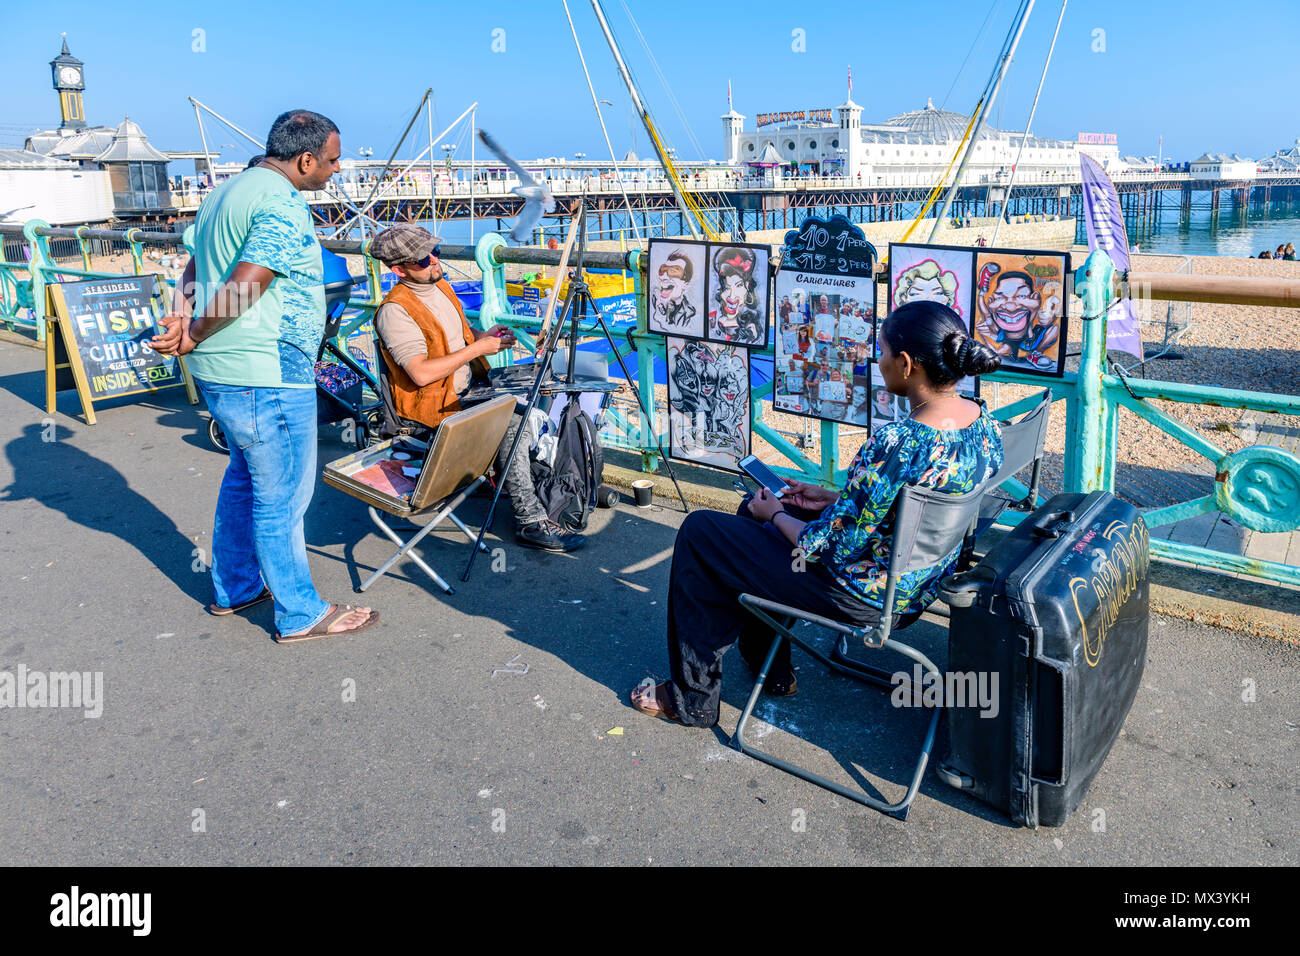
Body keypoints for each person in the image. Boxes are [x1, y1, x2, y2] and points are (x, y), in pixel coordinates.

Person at [629, 300, 1004, 725]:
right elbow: (909, 502)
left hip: (862, 593)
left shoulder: (898, 441)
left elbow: (829, 549)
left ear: (905, 364)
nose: (876, 361)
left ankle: (692, 698)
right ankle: (771, 667)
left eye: (880, 352)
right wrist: (829, 499)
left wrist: (776, 516)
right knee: (750, 513)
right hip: (922, 578)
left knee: (702, 531)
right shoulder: (981, 420)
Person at [151, 109, 379, 643]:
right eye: (332, 159)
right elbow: (251, 281)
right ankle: (300, 612)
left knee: (244, 479)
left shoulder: (225, 192)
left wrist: (187, 318)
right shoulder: (280, 199)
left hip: (228, 369)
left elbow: (193, 267)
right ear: (305, 159)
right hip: (264, 368)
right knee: (283, 496)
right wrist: (195, 332)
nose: (337, 169)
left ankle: (235, 587)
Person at [369, 224, 584, 554]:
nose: (435, 262)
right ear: (399, 270)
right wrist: (475, 351)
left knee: (537, 393)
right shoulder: (395, 311)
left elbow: (458, 335)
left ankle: (518, 483)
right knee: (512, 425)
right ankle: (529, 520)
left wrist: (484, 336)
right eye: (423, 261)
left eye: (435, 253)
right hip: (434, 413)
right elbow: (421, 373)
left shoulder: (440, 286)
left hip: (468, 391)